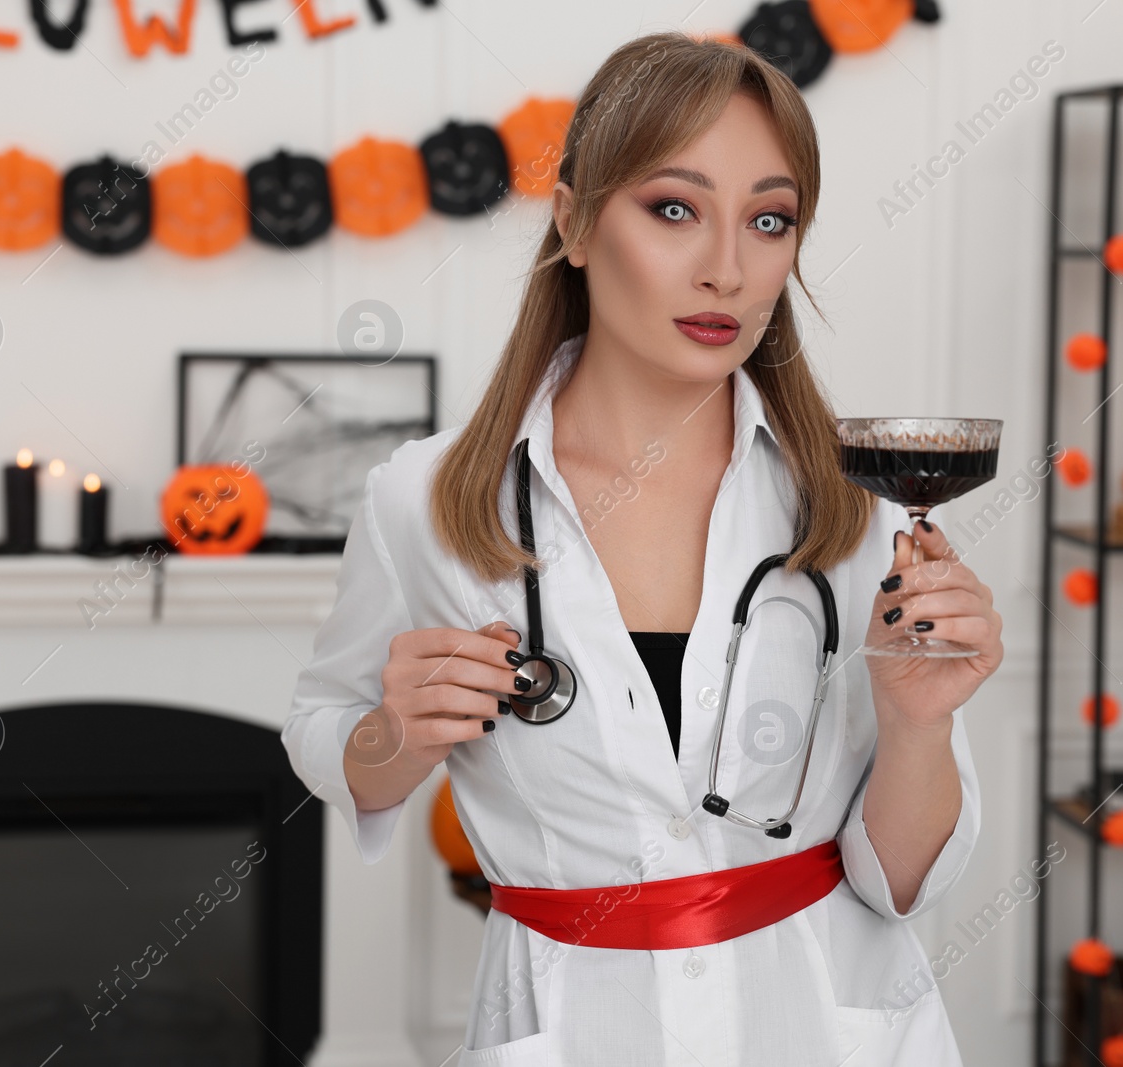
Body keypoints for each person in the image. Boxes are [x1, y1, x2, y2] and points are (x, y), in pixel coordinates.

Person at [281, 30, 1002, 1067]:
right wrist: (396, 736)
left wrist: (917, 721)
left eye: (769, 219)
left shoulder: (864, 508)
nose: (726, 267)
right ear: (572, 220)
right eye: (674, 209)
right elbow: (323, 730)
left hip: (824, 1024)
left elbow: (897, 882)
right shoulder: (426, 499)